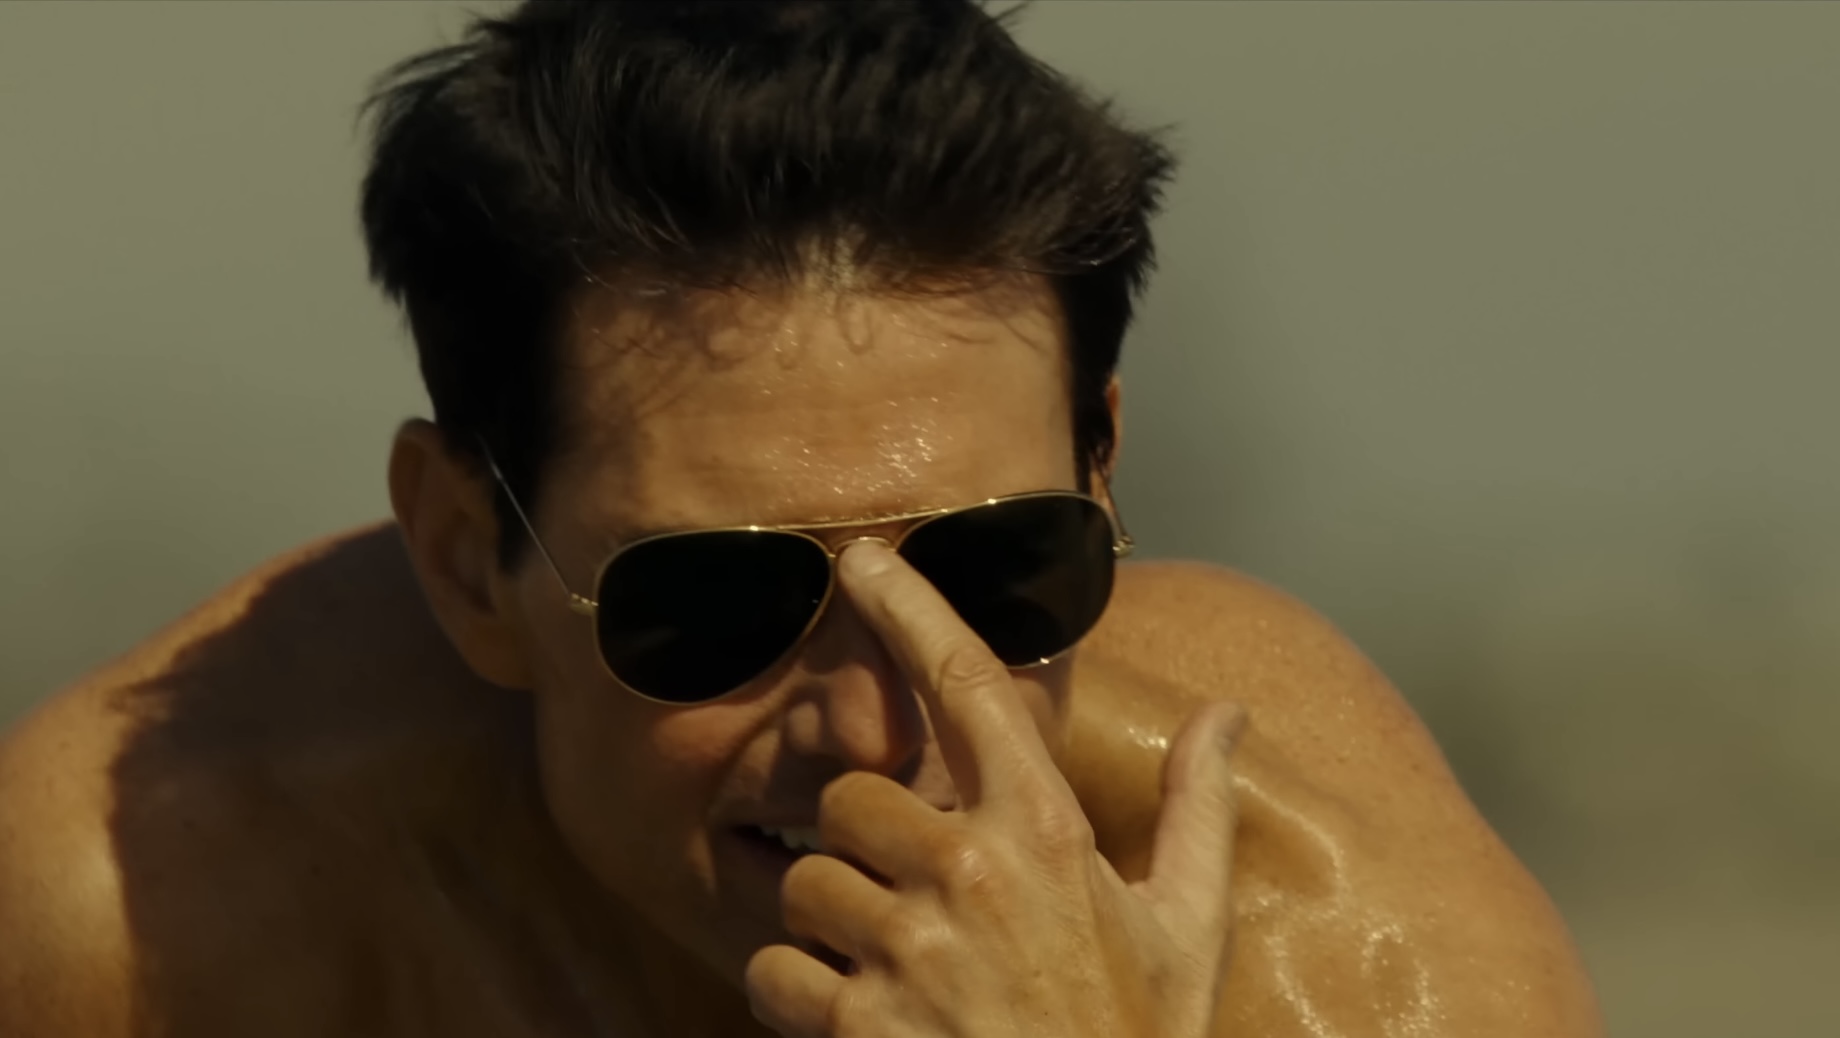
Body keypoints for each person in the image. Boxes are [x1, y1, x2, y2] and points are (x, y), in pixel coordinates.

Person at [0, 2, 1599, 1036]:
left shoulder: (1337, 949)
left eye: (994, 571)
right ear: (467, 558)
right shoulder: (149, 920)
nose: (878, 728)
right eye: (717, 600)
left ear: (1102, 478)